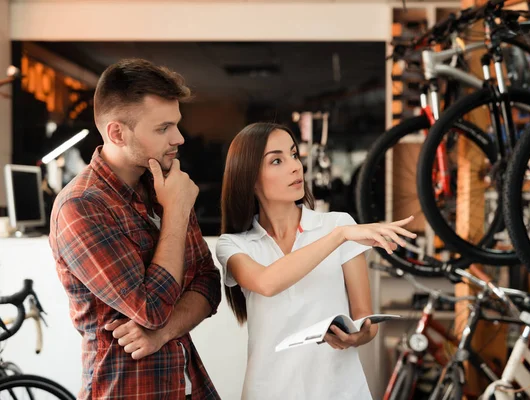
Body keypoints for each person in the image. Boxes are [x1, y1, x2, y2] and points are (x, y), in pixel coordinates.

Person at [48, 58, 222, 400]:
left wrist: (162, 332)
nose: (179, 138)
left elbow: (209, 281)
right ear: (116, 132)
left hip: (189, 386)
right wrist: (176, 211)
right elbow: (151, 308)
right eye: (163, 128)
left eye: (177, 124)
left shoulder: (163, 184)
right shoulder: (81, 207)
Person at [215, 122, 415, 400]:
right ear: (248, 177)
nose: (296, 167)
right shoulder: (234, 245)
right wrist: (340, 236)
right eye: (276, 160)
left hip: (340, 390)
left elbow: (365, 318)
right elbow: (267, 282)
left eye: (294, 155)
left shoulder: (337, 223)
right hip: (269, 391)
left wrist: (358, 336)